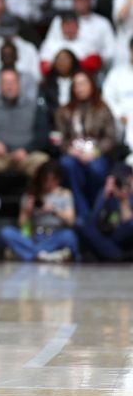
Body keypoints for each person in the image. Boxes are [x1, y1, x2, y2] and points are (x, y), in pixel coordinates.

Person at [56, 71, 117, 218]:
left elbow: (111, 137)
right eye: (76, 85)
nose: (80, 88)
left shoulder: (103, 109)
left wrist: (94, 152)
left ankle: (97, 209)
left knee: (97, 168)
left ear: (92, 86)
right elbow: (59, 138)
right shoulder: (64, 111)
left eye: (83, 84)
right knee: (66, 164)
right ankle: (82, 212)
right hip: (73, 153)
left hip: (95, 152)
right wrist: (70, 149)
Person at [0, 67, 50, 177]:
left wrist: (27, 150)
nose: (9, 86)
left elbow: (43, 135)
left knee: (45, 164)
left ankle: (40, 189)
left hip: (27, 156)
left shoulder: (33, 107)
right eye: (6, 83)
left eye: (13, 82)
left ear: (19, 84)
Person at [0, 160, 80, 261]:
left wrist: (54, 210)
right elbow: (21, 224)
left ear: (58, 180)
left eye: (53, 180)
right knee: (6, 233)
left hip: (55, 235)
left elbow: (71, 221)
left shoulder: (65, 194)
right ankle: (45, 255)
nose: (49, 184)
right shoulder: (31, 195)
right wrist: (28, 211)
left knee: (69, 235)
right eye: (46, 180)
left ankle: (27, 254)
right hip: (35, 236)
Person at [76, 162, 133, 261]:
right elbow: (95, 220)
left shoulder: (128, 195)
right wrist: (105, 196)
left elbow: (128, 225)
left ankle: (111, 254)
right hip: (106, 234)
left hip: (123, 235)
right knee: (81, 223)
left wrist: (124, 200)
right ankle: (116, 255)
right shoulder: (107, 192)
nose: (118, 184)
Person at [43, 0, 115, 69]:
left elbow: (107, 53)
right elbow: (45, 60)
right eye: (78, 0)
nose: (81, 3)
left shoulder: (90, 40)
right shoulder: (58, 21)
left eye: (84, 0)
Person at [39, 12, 103, 74]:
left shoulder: (88, 42)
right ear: (61, 27)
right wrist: (81, 63)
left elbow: (95, 64)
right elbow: (44, 68)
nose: (69, 29)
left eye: (72, 25)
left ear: (78, 26)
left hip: (81, 78)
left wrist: (63, 64)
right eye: (66, 25)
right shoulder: (50, 44)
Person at [40, 48, 80, 123]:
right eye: (59, 59)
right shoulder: (46, 84)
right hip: (53, 122)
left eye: (65, 59)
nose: (62, 62)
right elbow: (45, 108)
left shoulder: (80, 79)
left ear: (72, 61)